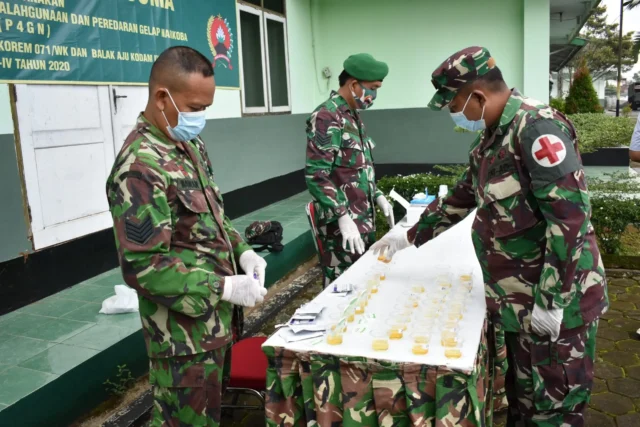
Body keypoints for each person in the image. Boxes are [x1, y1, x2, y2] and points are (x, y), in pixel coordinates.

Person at [372, 46, 608, 427]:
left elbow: (571, 221)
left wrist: (551, 300)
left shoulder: (537, 129)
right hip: (519, 303)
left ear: (478, 97)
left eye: (455, 105)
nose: (455, 116)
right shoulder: (490, 139)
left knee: (553, 411)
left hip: (558, 306)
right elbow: (464, 196)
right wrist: (407, 237)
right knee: (524, 401)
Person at [106, 46, 267, 427]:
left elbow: (213, 215)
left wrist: (244, 252)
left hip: (215, 326)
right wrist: (222, 287)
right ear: (162, 97)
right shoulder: (140, 168)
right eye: (195, 107)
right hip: (182, 341)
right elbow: (143, 267)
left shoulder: (188, 145)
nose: (201, 118)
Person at [305, 53, 394, 287]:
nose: (375, 95)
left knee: (364, 288)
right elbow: (317, 175)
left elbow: (359, 167)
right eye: (373, 88)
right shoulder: (327, 116)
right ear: (354, 84)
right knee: (342, 290)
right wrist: (342, 216)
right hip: (341, 230)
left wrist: (377, 195)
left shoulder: (353, 116)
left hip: (363, 222)